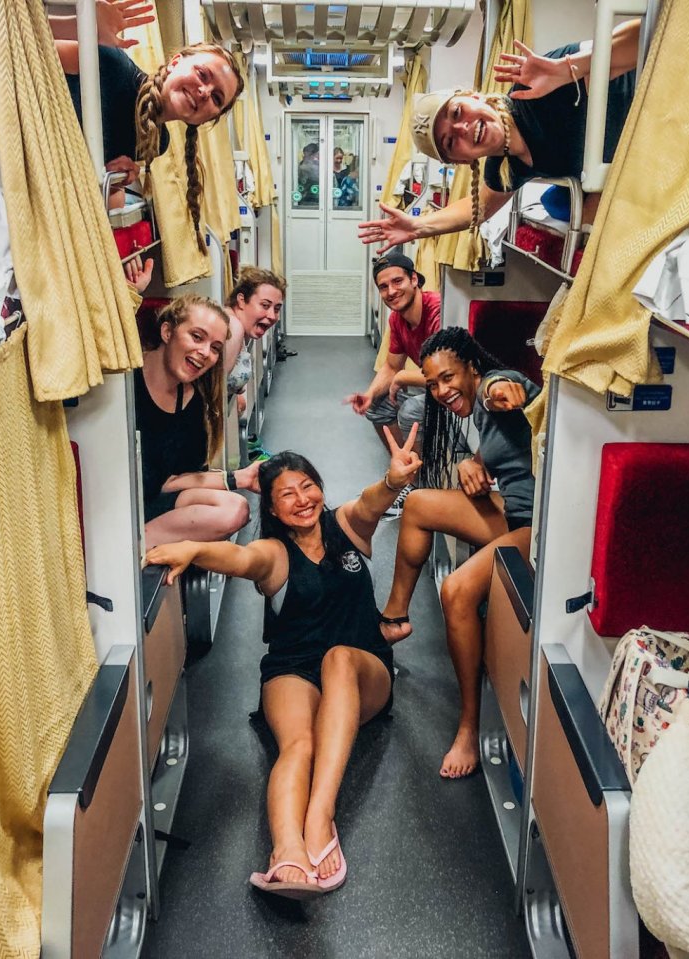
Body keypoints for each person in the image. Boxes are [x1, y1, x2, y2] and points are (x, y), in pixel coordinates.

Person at [145, 430, 423, 898]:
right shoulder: (274, 554)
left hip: (362, 667)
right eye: (287, 495)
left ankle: (320, 818)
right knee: (298, 745)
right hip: (293, 668)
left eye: (307, 486)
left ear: (321, 488)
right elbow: (239, 557)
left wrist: (393, 481)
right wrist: (194, 549)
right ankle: (286, 849)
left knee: (338, 659)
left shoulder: (348, 526)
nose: (302, 499)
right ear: (272, 510)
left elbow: (371, 502)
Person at [377, 328, 539, 779]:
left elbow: (508, 390)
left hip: (542, 526)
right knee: (417, 504)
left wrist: (502, 391)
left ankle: (470, 725)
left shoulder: (494, 389)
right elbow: (506, 443)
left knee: (456, 589)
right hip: (513, 512)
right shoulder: (474, 408)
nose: (441, 391)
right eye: (432, 384)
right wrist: (474, 462)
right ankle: (394, 620)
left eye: (448, 378)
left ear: (473, 368)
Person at [357, 20, 640, 260]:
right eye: (451, 142)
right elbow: (478, 208)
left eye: (457, 112)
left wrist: (569, 67)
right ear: (462, 161)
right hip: (642, 168)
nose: (463, 127)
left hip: (657, 117)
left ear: (474, 96)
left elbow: (645, 35)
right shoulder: (506, 166)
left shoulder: (535, 88)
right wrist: (418, 226)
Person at [55, 28, 244, 247]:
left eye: (217, 98)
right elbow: (29, 56)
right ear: (175, 63)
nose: (204, 92)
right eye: (202, 74)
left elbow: (94, 189)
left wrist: (111, 180)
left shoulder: (157, 141)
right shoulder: (112, 65)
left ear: (208, 119)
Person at [136, 294, 258, 550]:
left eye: (215, 348)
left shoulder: (194, 400)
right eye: (197, 337)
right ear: (167, 332)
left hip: (156, 501)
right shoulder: (126, 388)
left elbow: (173, 481)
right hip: (123, 508)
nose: (205, 353)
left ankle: (142, 546)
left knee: (236, 508)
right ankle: (130, 551)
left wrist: (241, 478)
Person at [344, 253, 441, 471]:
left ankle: (421, 479)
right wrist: (369, 395)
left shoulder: (437, 311)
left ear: (414, 279)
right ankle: (406, 472)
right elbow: (392, 366)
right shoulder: (397, 319)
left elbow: (445, 375)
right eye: (383, 287)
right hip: (434, 386)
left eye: (397, 281)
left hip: (458, 389)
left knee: (411, 410)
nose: (391, 291)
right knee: (377, 406)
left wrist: (403, 377)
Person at [222, 267, 287, 460]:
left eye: (277, 309)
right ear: (241, 300)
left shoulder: (238, 327)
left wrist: (236, 394)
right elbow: (212, 392)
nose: (272, 315)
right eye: (265, 305)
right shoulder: (233, 328)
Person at [296, 143, 320, 208]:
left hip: (317, 200)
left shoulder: (317, 166)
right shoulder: (302, 166)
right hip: (304, 199)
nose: (304, 157)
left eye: (306, 155)